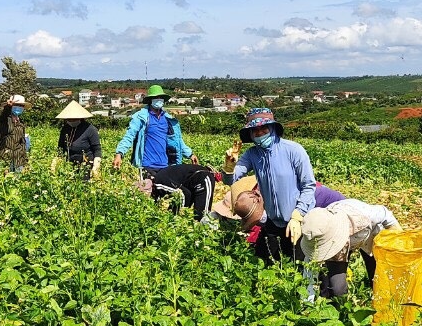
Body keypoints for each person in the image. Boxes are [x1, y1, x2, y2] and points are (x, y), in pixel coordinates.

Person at [231, 107, 316, 264]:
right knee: (265, 261)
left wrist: (298, 216)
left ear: (272, 128)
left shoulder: (293, 150)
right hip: (273, 220)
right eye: (254, 129)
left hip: (298, 220)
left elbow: (309, 186)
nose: (259, 132)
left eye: (264, 127)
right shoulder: (252, 154)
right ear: (250, 134)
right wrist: (229, 166)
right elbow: (232, 180)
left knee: (298, 267)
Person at [298, 199, 400, 298]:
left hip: (369, 238)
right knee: (337, 289)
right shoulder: (315, 235)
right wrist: (308, 302)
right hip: (338, 249)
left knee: (378, 279)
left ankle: (382, 306)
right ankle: (340, 311)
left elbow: (386, 215)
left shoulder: (363, 215)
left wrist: (398, 239)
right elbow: (309, 273)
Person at [113, 84, 197, 174]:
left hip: (165, 165)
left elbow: (177, 142)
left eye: (161, 97)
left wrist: (190, 154)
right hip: (147, 165)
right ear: (150, 100)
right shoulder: (141, 117)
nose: (159, 99)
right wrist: (119, 153)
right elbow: (129, 136)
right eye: (156, 97)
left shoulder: (168, 120)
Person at [138, 163, 220, 222]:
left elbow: (183, 194)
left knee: (202, 218)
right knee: (198, 218)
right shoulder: (160, 177)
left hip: (203, 179)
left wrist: (176, 217)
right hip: (193, 181)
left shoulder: (159, 183)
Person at [53, 100, 102, 179]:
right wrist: (55, 162)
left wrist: (95, 167)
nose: (71, 121)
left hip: (86, 165)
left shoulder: (90, 129)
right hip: (69, 165)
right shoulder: (65, 129)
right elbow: (60, 148)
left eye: (74, 119)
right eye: (69, 119)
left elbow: (97, 149)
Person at [0, 94, 30, 172]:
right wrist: (8, 107)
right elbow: (2, 114)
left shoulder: (21, 123)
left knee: (17, 182)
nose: (19, 107)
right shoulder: (4, 119)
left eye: (21, 106)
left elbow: (22, 142)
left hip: (17, 159)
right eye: (16, 105)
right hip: (2, 156)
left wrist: (25, 160)